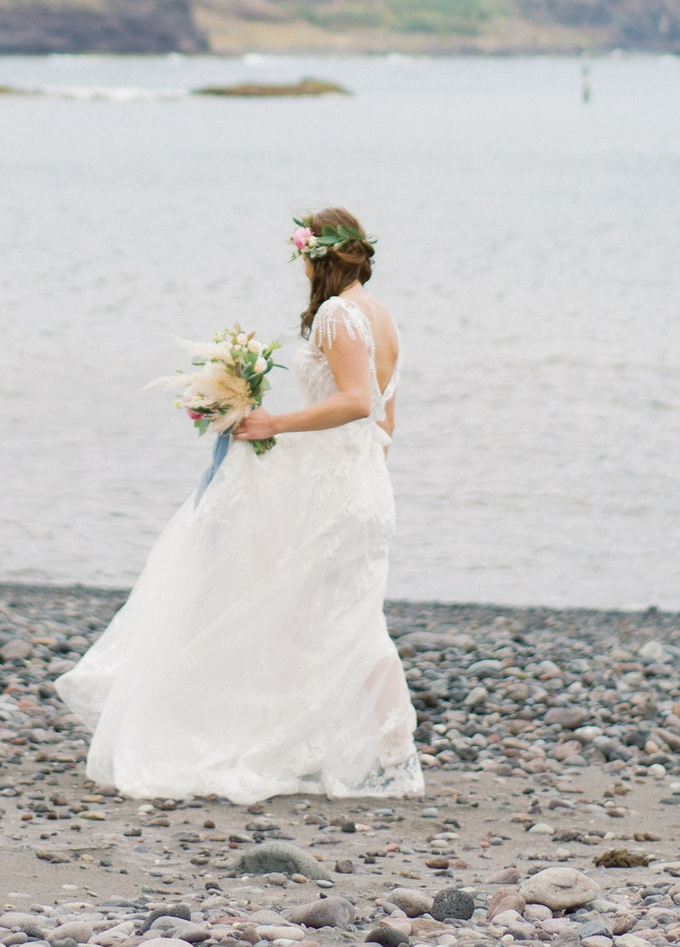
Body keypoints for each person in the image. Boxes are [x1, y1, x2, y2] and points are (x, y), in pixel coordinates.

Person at [57, 206, 420, 801]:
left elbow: (359, 402)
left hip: (336, 492)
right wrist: (351, 471)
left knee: (295, 610)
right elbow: (386, 424)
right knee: (349, 616)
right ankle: (389, 756)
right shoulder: (383, 317)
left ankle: (301, 742)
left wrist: (274, 424)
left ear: (315, 257)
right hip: (366, 486)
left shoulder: (337, 314)